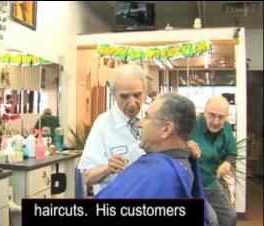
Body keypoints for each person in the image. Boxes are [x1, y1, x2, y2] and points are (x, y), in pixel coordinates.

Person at [95, 93, 208, 225]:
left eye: (147, 117)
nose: (139, 124)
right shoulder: (179, 166)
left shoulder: (162, 174)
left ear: (166, 129)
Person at [78, 64, 147, 195]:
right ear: (114, 95)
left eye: (137, 95)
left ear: (144, 93)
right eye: (124, 96)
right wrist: (108, 168)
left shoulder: (153, 118)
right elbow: (87, 177)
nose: (132, 103)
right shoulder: (102, 124)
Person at [190, 96, 237, 226]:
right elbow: (172, 143)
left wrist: (227, 162)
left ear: (227, 117)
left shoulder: (226, 128)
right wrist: (186, 144)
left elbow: (231, 153)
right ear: (204, 112)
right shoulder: (191, 124)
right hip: (192, 185)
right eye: (212, 115)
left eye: (221, 117)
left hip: (211, 182)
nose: (216, 121)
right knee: (211, 221)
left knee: (230, 217)